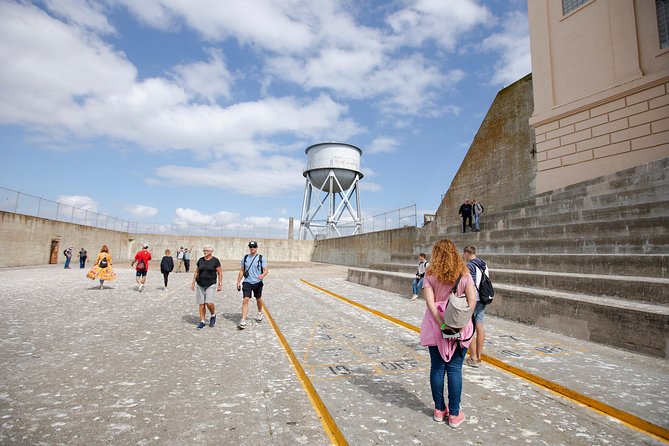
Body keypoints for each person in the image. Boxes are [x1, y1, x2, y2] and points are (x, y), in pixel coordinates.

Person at [419, 239, 476, 429]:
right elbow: (472, 300)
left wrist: (442, 323)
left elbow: (429, 302)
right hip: (459, 326)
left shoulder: (430, 274)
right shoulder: (464, 273)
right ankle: (454, 414)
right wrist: (459, 322)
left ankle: (438, 410)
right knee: (454, 369)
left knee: (437, 368)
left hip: (436, 327)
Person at [464, 246, 489, 368]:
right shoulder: (484, 264)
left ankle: (473, 357)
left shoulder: (470, 266)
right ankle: (479, 356)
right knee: (480, 326)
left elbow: (470, 284)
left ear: (467, 253)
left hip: (474, 300)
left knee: (469, 327)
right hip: (484, 298)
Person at [235, 240, 268, 329]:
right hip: (247, 282)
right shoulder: (245, 258)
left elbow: (266, 270)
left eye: (254, 247)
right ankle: (243, 320)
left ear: (256, 248)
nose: (252, 248)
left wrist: (262, 275)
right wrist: (238, 282)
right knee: (245, 299)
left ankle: (259, 312)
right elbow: (242, 270)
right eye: (250, 247)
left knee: (258, 299)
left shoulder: (261, 258)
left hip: (257, 282)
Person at [192, 245, 222, 330]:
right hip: (200, 284)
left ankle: (213, 315)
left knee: (209, 302)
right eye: (204, 250)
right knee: (201, 304)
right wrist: (193, 282)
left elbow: (220, 273)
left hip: (211, 284)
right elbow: (197, 271)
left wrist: (220, 284)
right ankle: (202, 321)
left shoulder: (215, 261)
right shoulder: (200, 260)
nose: (205, 252)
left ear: (211, 251)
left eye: (207, 250)